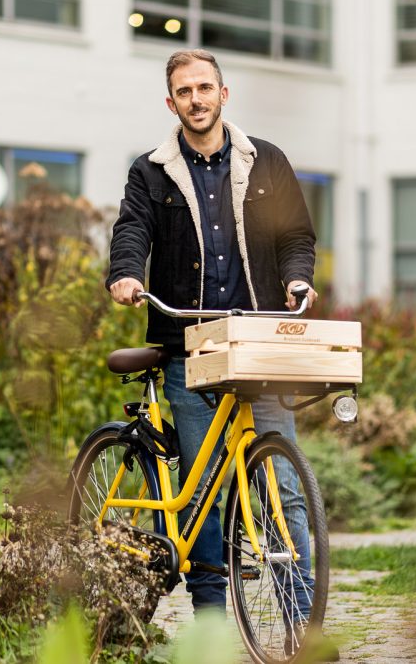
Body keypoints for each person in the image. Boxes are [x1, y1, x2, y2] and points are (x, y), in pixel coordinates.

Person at [106, 48, 320, 636]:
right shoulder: (150, 171)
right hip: (188, 345)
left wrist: (297, 278)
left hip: (256, 341)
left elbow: (296, 236)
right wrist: (126, 274)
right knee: (203, 489)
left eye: (205, 88)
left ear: (223, 94)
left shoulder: (266, 161)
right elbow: (133, 228)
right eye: (184, 91)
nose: (196, 99)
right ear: (170, 102)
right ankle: (210, 626)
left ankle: (301, 622)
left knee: (285, 486)